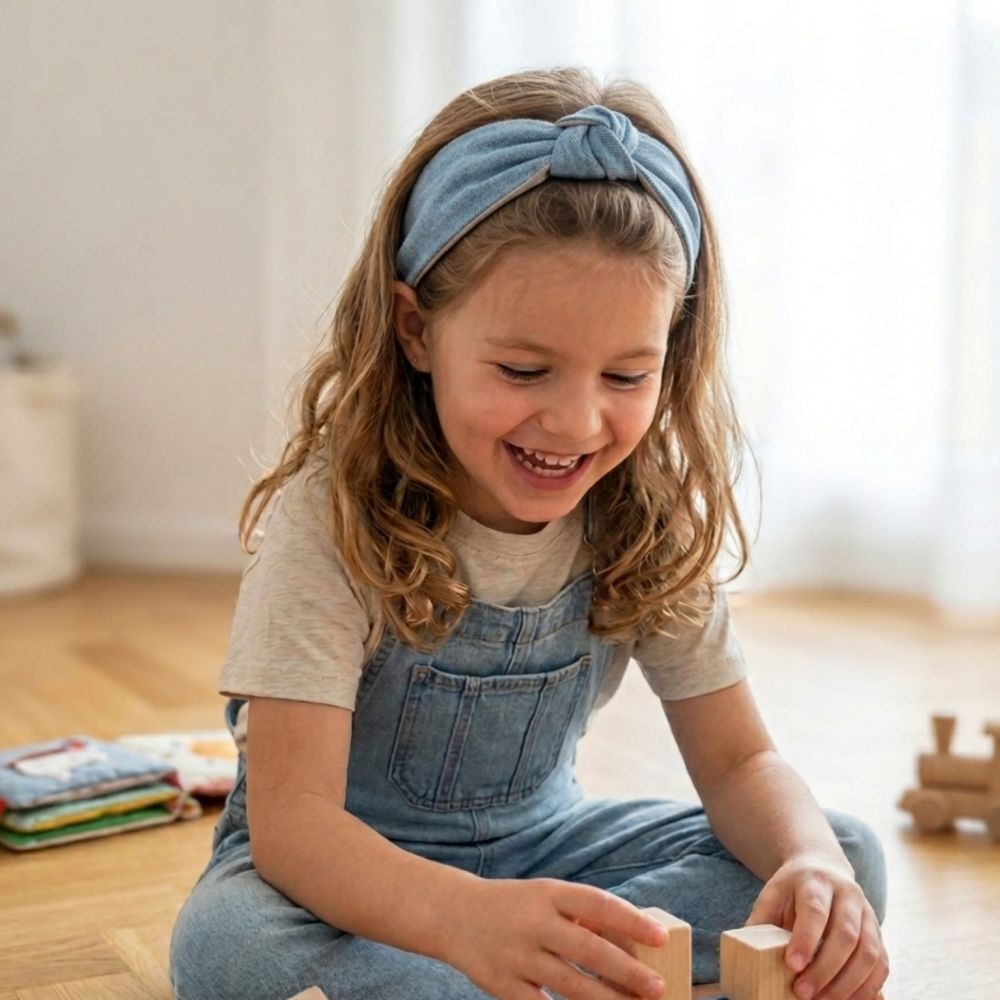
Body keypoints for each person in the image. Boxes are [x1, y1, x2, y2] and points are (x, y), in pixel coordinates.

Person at [170, 66, 888, 1000]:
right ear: (416, 329)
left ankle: (515, 970)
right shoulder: (332, 516)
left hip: (543, 853)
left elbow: (740, 759)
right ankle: (496, 968)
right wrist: (461, 920)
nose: (577, 424)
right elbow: (297, 829)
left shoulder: (642, 515)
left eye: (627, 377)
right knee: (229, 949)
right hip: (341, 881)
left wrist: (808, 861)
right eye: (523, 369)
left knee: (845, 858)